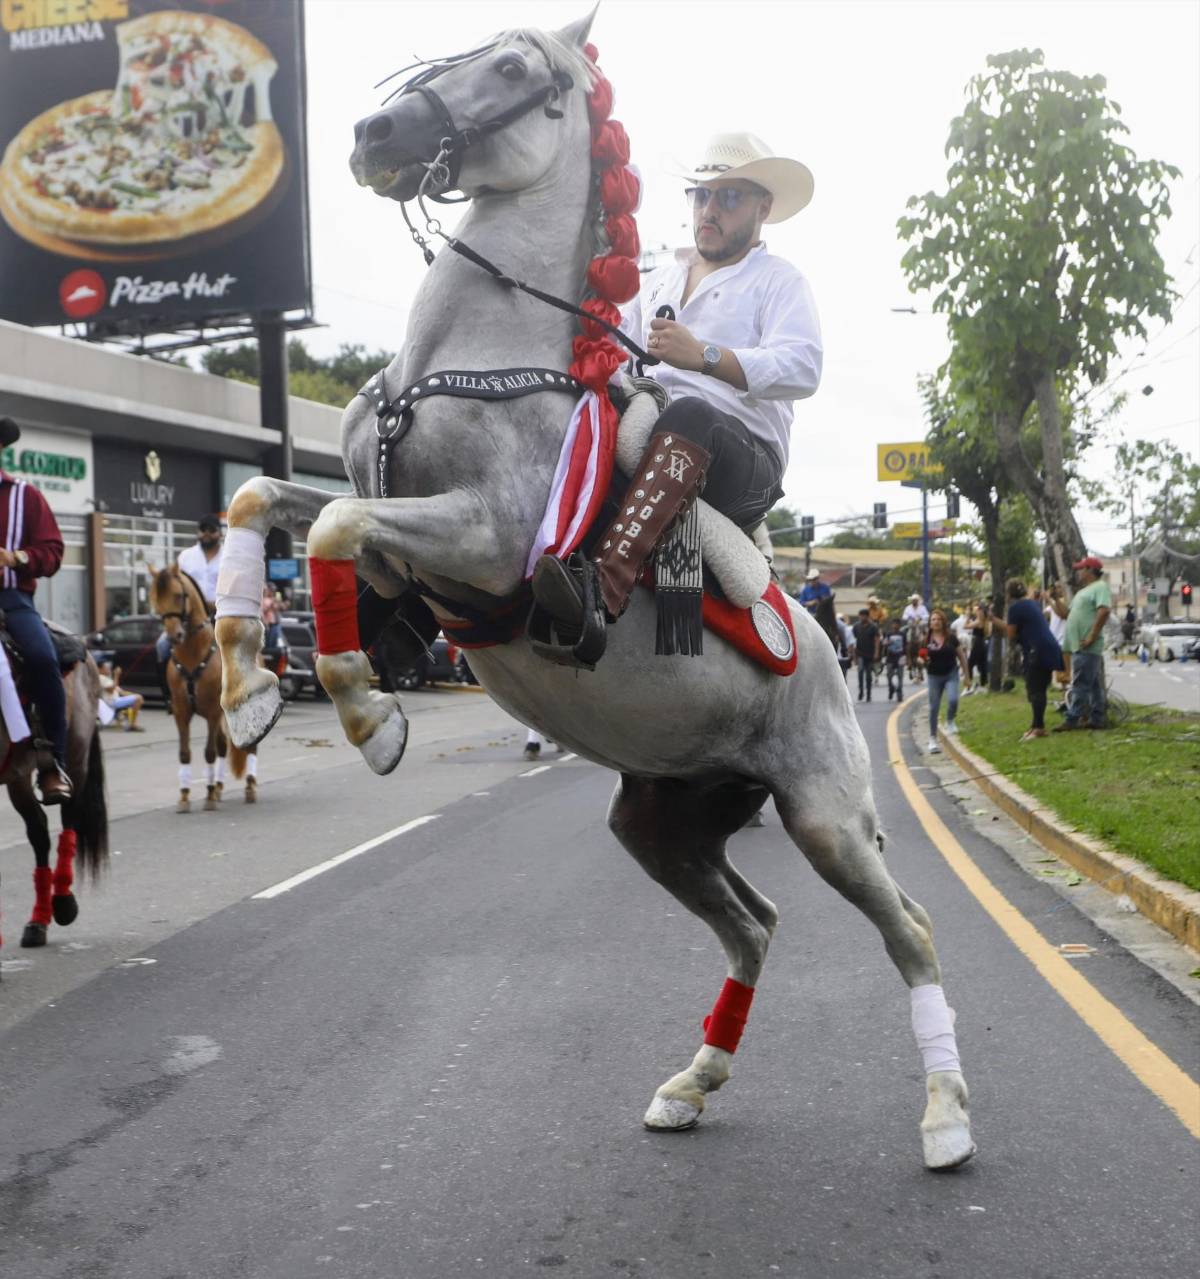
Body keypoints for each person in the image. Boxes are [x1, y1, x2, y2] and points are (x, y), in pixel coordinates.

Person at [530, 131, 821, 668]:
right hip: (657, 436)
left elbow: (804, 367)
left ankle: (602, 591)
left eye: (729, 197)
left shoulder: (781, 282)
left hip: (744, 463)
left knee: (693, 412)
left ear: (763, 206)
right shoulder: (660, 278)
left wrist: (704, 356)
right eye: (701, 195)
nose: (710, 209)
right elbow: (617, 357)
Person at [0, 415, 71, 803]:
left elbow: (53, 552)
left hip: (11, 600)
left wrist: (16, 558)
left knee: (43, 659)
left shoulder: (24, 495)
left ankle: (52, 764)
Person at [158, 513, 224, 682]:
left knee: (239, 648)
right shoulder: (186, 556)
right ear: (198, 533)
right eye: (203, 530)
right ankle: (169, 695)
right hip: (189, 617)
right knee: (162, 646)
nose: (207, 534)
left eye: (212, 530)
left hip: (221, 615)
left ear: (220, 533)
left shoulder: (229, 556)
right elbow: (175, 583)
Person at [1053, 555, 1112, 732]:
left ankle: (1072, 719)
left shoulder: (1100, 587)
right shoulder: (1082, 592)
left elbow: (1104, 611)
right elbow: (1065, 614)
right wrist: (1055, 599)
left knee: (1079, 684)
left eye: (1081, 568)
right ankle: (1097, 718)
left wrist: (1092, 636)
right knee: (1093, 686)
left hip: (1087, 645)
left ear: (1090, 570)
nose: (1078, 572)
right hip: (1077, 645)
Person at [1005, 579, 1063, 741]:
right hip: (1049, 647)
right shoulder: (1032, 604)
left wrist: (996, 623)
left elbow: (1010, 634)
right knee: (1039, 688)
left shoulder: (1014, 608)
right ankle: (1036, 725)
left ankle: (1038, 728)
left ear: (1009, 594)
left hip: (1035, 650)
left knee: (1035, 689)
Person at [924, 607, 970, 753]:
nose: (936, 622)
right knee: (934, 707)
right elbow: (921, 656)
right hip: (933, 676)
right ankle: (932, 738)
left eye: (938, 619)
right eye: (933, 619)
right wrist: (921, 660)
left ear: (943, 622)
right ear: (930, 623)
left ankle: (950, 720)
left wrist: (967, 676)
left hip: (951, 674)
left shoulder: (951, 638)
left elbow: (961, 656)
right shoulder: (926, 640)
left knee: (953, 700)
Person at [97, 658, 144, 732]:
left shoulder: (108, 679)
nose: (109, 669)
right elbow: (111, 689)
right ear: (99, 669)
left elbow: (121, 692)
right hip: (111, 701)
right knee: (138, 698)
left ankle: (128, 719)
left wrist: (136, 695)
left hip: (116, 700)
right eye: (106, 668)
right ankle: (133, 724)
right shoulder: (100, 678)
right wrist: (116, 675)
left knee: (138, 698)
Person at [851, 607, 881, 702]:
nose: (861, 617)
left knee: (868, 675)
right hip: (860, 653)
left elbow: (877, 640)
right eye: (860, 615)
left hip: (870, 654)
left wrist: (876, 653)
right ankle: (861, 691)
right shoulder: (856, 627)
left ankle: (868, 693)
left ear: (867, 616)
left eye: (863, 615)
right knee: (860, 672)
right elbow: (853, 640)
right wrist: (854, 656)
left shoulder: (873, 627)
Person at [965, 601, 991, 692]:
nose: (976, 611)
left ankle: (969, 682)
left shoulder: (979, 621)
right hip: (982, 642)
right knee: (982, 664)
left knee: (970, 663)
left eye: (978, 610)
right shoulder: (986, 621)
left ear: (980, 611)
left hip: (978, 643)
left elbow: (965, 626)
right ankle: (983, 683)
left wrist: (967, 616)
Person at [884, 619, 906, 702]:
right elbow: (884, 643)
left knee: (900, 676)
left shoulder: (903, 634)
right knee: (889, 675)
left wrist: (906, 657)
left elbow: (906, 645)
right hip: (890, 657)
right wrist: (887, 643)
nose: (895, 626)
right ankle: (891, 688)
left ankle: (899, 693)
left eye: (897, 624)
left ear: (899, 625)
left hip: (900, 656)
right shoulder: (889, 634)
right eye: (894, 624)